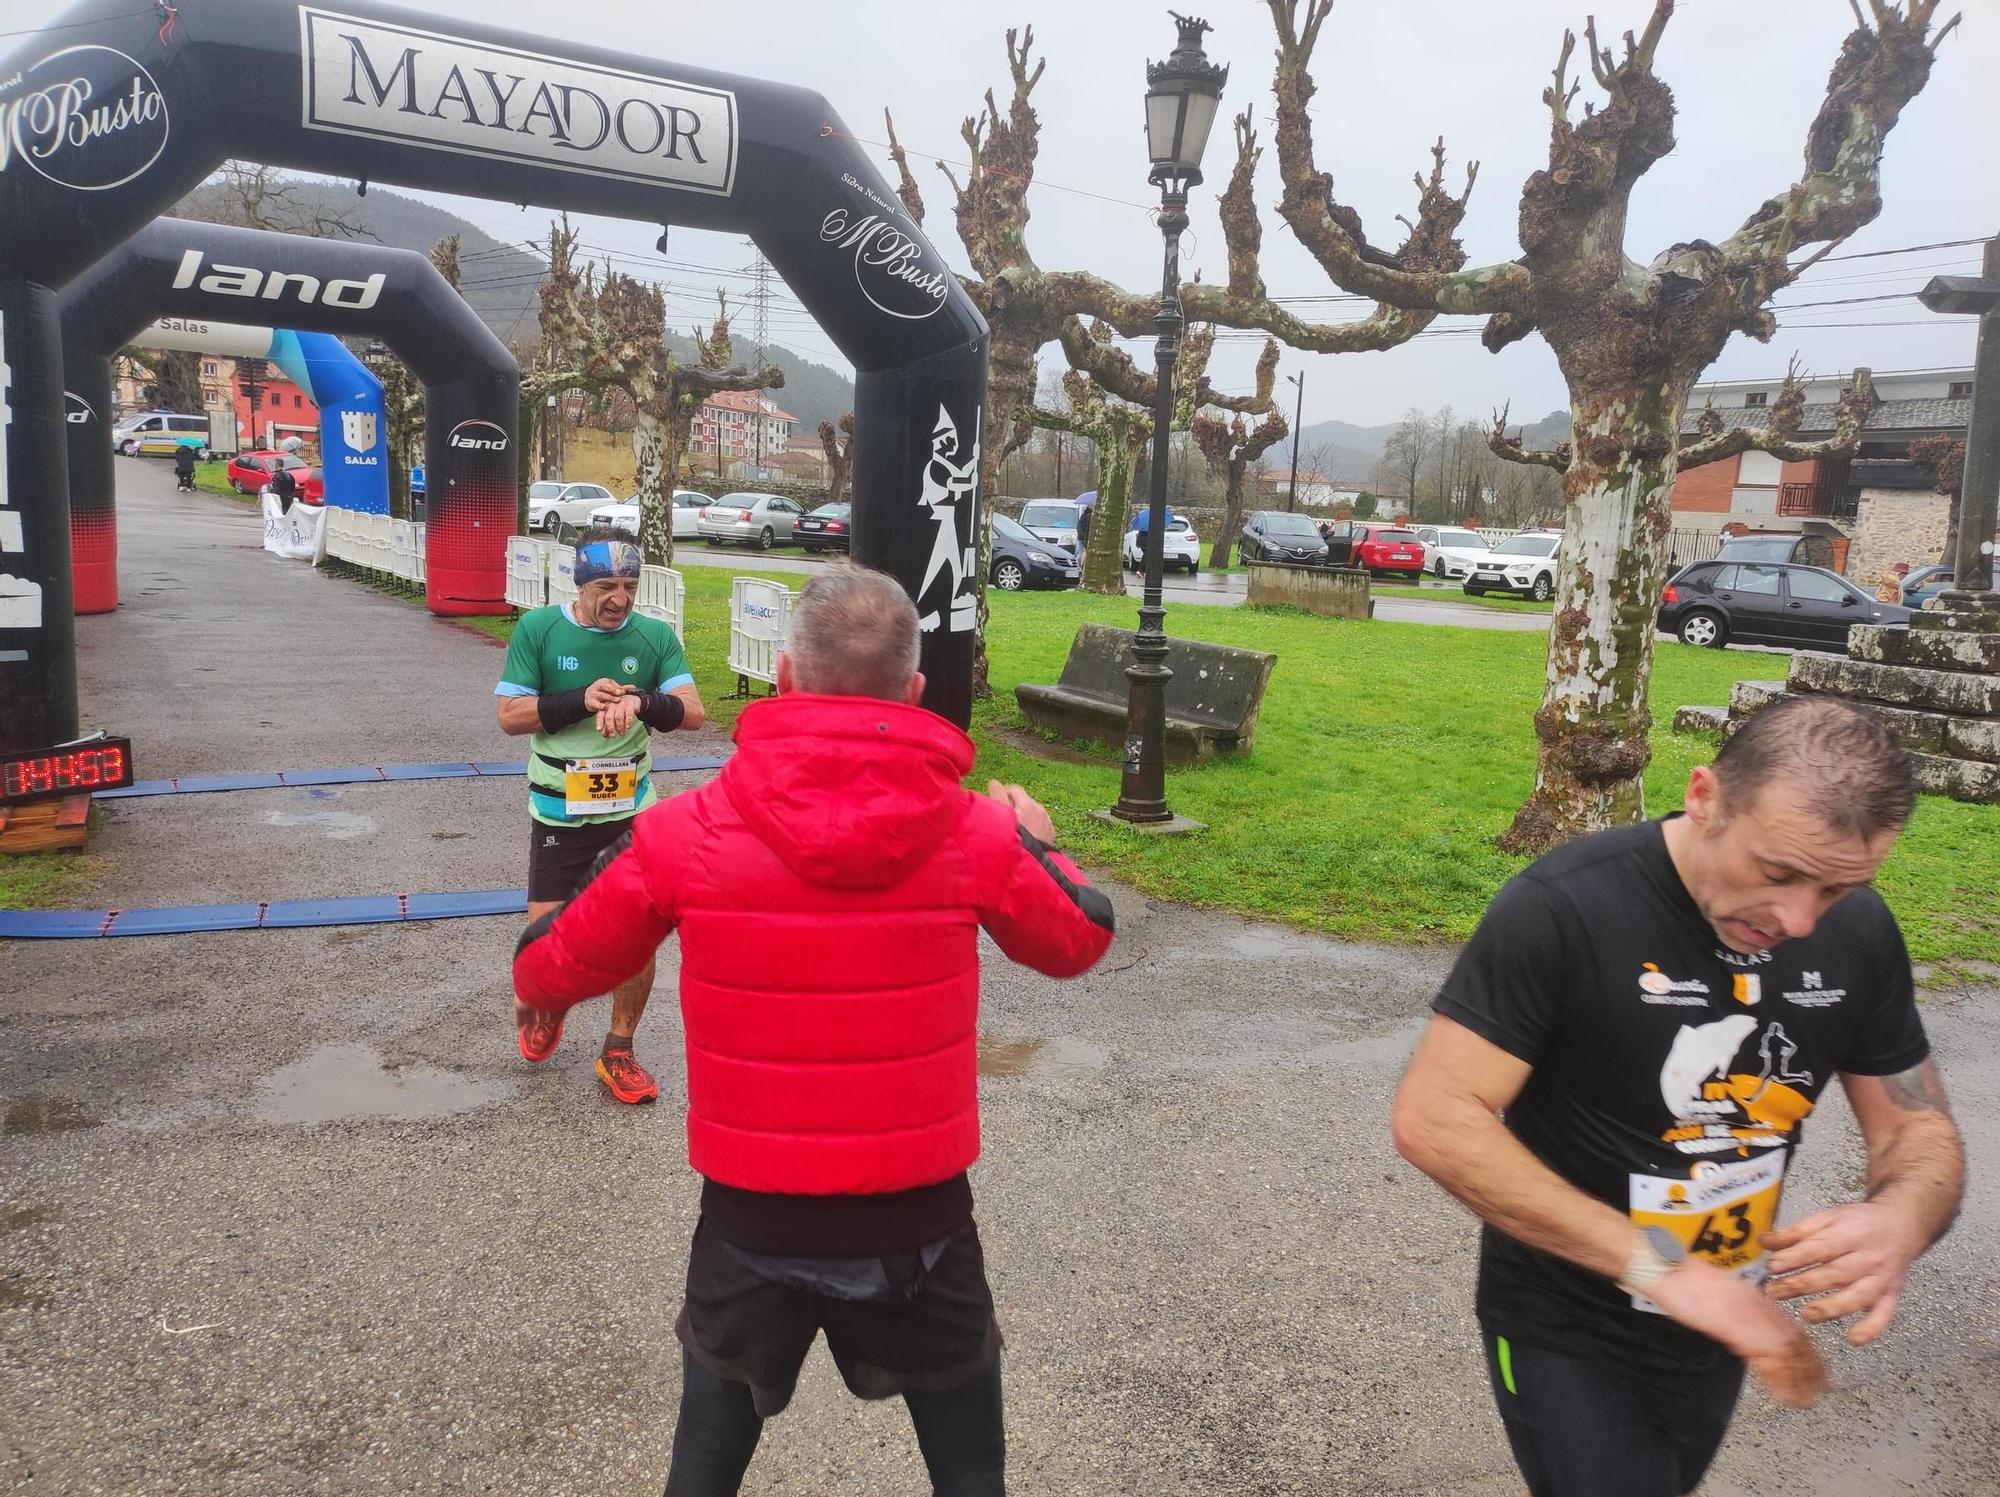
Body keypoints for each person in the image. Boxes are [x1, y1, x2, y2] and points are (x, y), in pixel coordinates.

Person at [512, 563, 1115, 1495]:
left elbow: (545, 967)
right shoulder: (976, 833)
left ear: (786, 677)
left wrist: (605, 876)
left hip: (752, 1214)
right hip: (920, 1220)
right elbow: (1078, 938)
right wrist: (1037, 838)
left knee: (705, 1465)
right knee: (968, 1471)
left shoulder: (687, 832)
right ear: (914, 692)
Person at [1392, 694, 1964, 1497]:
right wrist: (1661, 1267)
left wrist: (1903, 1215)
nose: (1801, 919)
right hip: (1569, 1314)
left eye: (1835, 888)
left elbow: (1916, 1120)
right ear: (1705, 798)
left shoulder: (1860, 934)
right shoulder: (1565, 907)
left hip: (1725, 1315)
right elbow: (1436, 1117)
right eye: (1778, 872)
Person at [495, 525, 704, 1104]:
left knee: (637, 941)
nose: (621, 598)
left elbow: (693, 714)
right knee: (546, 940)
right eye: (607, 585)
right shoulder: (539, 629)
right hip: (559, 815)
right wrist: (579, 699)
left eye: (631, 585)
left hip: (632, 812)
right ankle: (549, 1007)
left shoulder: (656, 636)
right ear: (579, 582)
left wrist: (642, 700)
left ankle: (619, 1048)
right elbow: (510, 716)